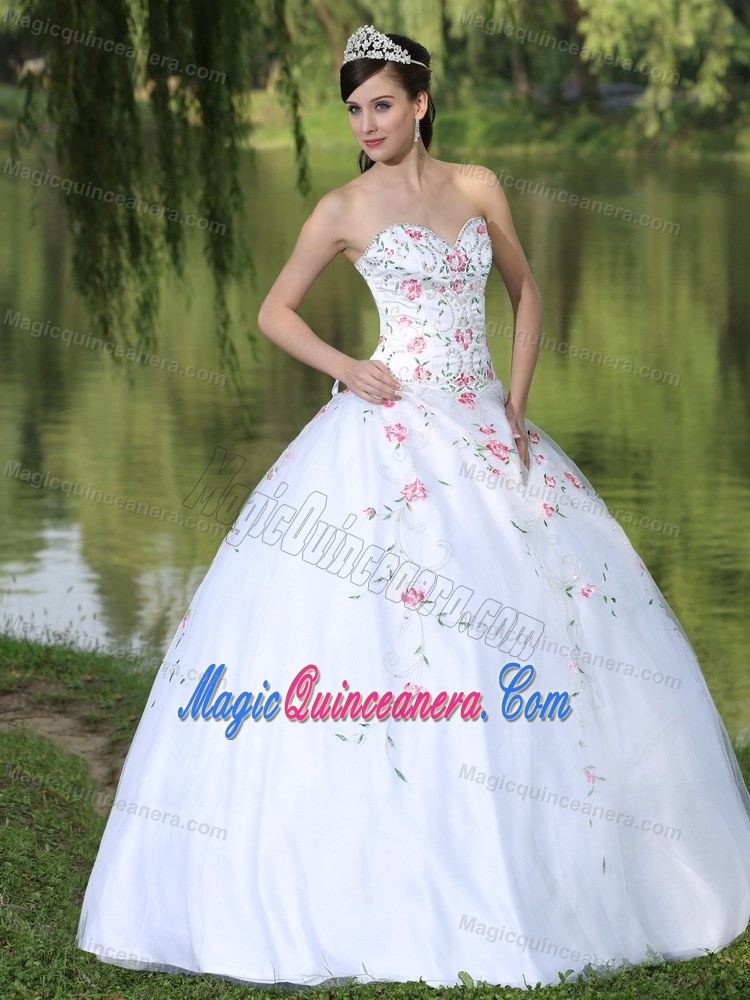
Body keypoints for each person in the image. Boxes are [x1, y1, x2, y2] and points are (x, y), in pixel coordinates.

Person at [77, 24, 750, 990]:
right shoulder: (341, 205)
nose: (367, 122)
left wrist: (515, 408)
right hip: (386, 433)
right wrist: (348, 367)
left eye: (381, 104)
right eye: (354, 108)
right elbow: (274, 311)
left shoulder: (476, 186)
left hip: (484, 426)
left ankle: (560, 858)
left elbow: (525, 294)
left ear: (421, 102)